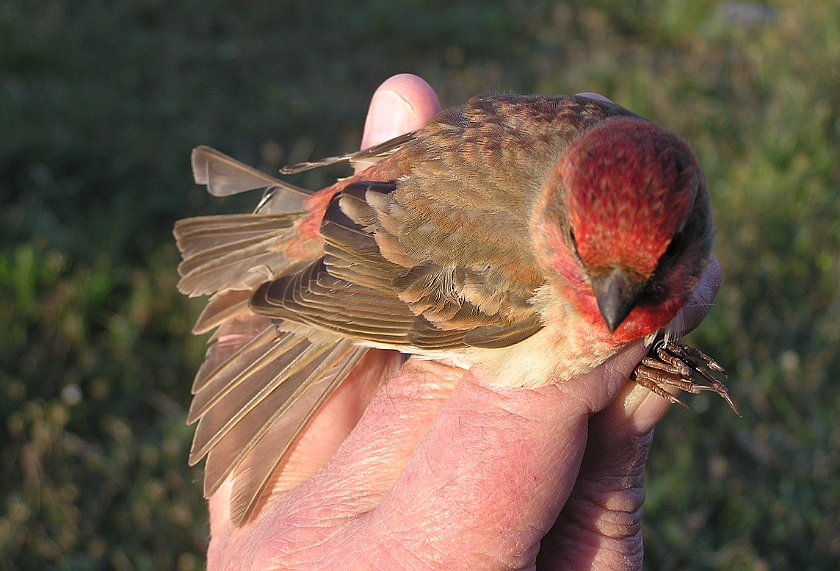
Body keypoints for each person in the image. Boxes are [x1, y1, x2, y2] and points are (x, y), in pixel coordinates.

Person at [204, 74, 722, 570]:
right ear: (558, 213)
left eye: (653, 265)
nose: (613, 305)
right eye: (583, 259)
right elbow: (408, 289)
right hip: (374, 263)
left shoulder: (612, 142)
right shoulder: (519, 270)